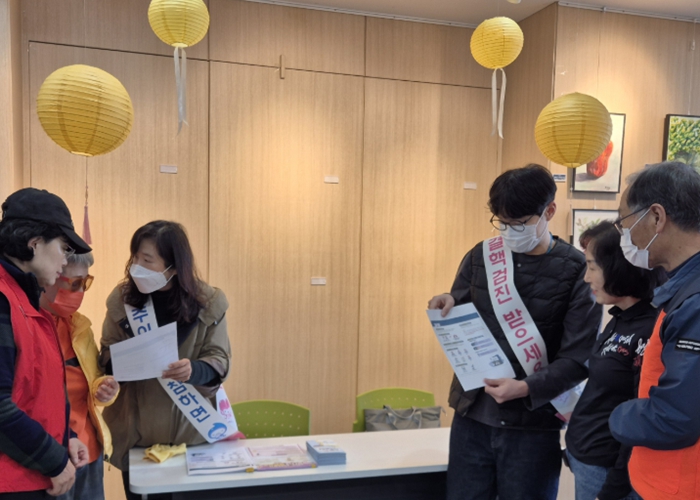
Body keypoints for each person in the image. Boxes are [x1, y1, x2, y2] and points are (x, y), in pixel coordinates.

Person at [428, 164, 601, 500]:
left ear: (549, 211)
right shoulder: (481, 256)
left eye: (519, 223)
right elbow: (461, 313)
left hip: (532, 427)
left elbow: (579, 358)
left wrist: (525, 387)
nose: (508, 231)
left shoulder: (578, 270)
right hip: (472, 416)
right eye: (502, 222)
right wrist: (447, 302)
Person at [99, 220, 231, 500]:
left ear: (174, 267)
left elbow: (219, 358)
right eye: (135, 257)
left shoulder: (208, 302)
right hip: (136, 437)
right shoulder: (122, 301)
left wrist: (194, 370)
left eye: (147, 260)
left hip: (192, 436)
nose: (137, 267)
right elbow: (106, 354)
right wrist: (126, 364)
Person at [609, 162, 700, 500]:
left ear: (657, 217)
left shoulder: (694, 302)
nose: (624, 236)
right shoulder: (684, 287)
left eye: (624, 223)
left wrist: (615, 415)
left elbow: (674, 417)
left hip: (680, 484)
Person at [0, 188, 92, 499]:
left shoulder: (27, 300)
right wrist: (54, 460)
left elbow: (36, 392)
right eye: (63, 248)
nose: (65, 260)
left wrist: (66, 436)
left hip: (32, 476)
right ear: (35, 243)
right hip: (12, 482)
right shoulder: (3, 300)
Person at [564, 221, 665, 500]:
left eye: (592, 267)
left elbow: (642, 418)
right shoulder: (619, 316)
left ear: (619, 267)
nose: (586, 278)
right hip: (587, 456)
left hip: (610, 471)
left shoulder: (649, 329)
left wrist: (614, 488)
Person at [39, 252, 120, 500]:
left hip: (89, 450)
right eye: (75, 283)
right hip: (50, 454)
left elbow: (93, 381)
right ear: (50, 277)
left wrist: (104, 388)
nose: (81, 291)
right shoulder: (26, 324)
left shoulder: (79, 326)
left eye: (86, 282)